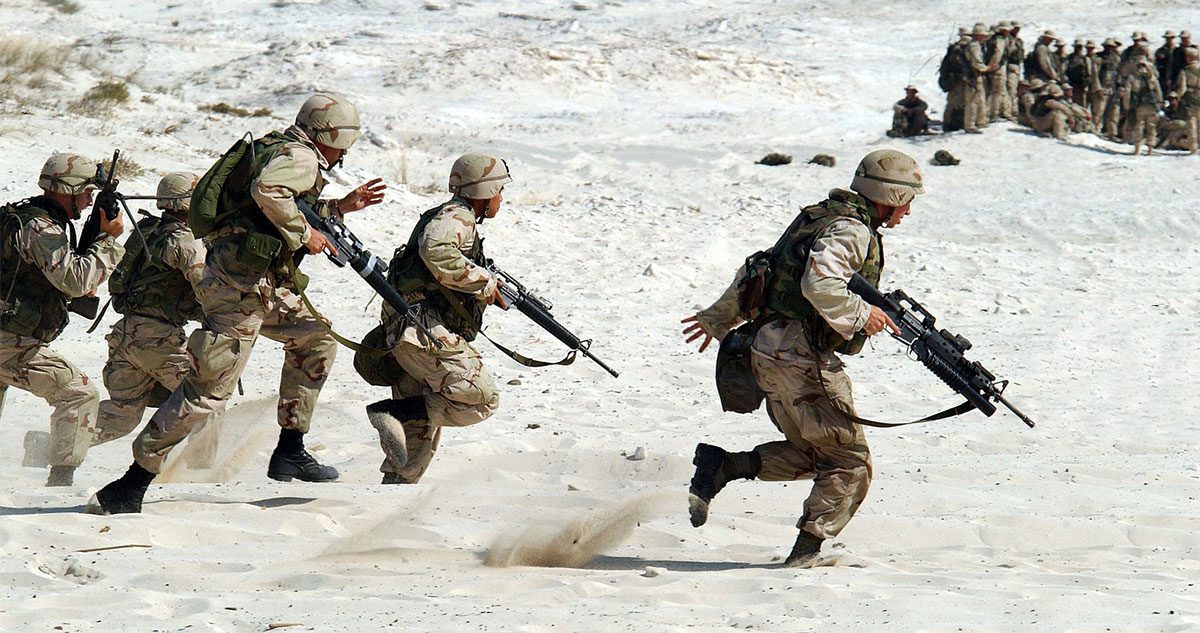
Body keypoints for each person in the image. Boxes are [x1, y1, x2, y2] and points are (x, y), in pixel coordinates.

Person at [88, 93, 387, 514]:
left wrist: (339, 208)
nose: (343, 153)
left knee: (315, 338)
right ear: (329, 135)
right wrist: (306, 236)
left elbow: (269, 207)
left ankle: (290, 448)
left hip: (261, 286)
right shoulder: (299, 157)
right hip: (238, 291)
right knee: (208, 392)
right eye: (343, 143)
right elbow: (269, 191)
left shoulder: (279, 148)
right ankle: (129, 485)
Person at [681, 149, 924, 568]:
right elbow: (819, 285)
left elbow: (764, 270)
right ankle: (805, 554)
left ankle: (723, 466)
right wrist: (865, 315)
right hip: (799, 356)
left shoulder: (820, 217)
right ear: (890, 196)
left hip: (767, 350)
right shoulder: (851, 229)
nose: (908, 212)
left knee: (818, 453)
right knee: (850, 462)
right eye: (908, 201)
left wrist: (720, 317)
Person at [364, 153, 510, 484]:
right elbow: (437, 250)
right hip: (422, 334)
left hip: (409, 334)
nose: (501, 198)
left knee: (414, 442)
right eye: (499, 191)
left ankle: (388, 506)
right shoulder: (457, 217)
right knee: (482, 398)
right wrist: (485, 283)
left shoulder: (448, 216)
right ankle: (388, 411)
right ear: (484, 193)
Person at [0, 153, 125, 486]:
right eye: (85, 194)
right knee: (79, 395)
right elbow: (75, 280)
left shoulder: (23, 217)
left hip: (9, 334)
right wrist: (108, 241)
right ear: (68, 189)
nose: (87, 202)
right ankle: (61, 480)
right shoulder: (41, 227)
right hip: (9, 341)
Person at [92, 172, 206, 449]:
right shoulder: (185, 242)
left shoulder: (147, 232)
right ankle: (202, 472)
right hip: (157, 340)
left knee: (121, 415)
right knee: (206, 401)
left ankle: (54, 443)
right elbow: (209, 289)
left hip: (125, 334)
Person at [1126, 60, 1165, 155]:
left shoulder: (1132, 77)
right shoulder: (1152, 78)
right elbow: (1159, 92)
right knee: (1152, 127)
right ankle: (1150, 149)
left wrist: (1126, 106)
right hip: (1152, 105)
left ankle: (1137, 149)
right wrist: (1159, 104)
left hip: (1139, 106)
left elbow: (1127, 92)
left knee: (1139, 126)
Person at [963, 23, 995, 133]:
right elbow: (976, 62)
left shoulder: (975, 45)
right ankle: (970, 125)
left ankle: (980, 121)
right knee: (972, 101)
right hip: (973, 76)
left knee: (979, 98)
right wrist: (987, 69)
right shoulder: (974, 46)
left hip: (975, 76)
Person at [985, 22, 1013, 120]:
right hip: (998, 68)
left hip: (996, 67)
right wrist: (993, 66)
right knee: (997, 91)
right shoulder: (1000, 40)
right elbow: (998, 53)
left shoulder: (996, 39)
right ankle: (994, 113)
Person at [1175, 47, 1200, 154]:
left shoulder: (1185, 70)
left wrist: (1177, 98)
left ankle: (1193, 148)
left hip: (1191, 98)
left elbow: (1182, 88)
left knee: (1192, 123)